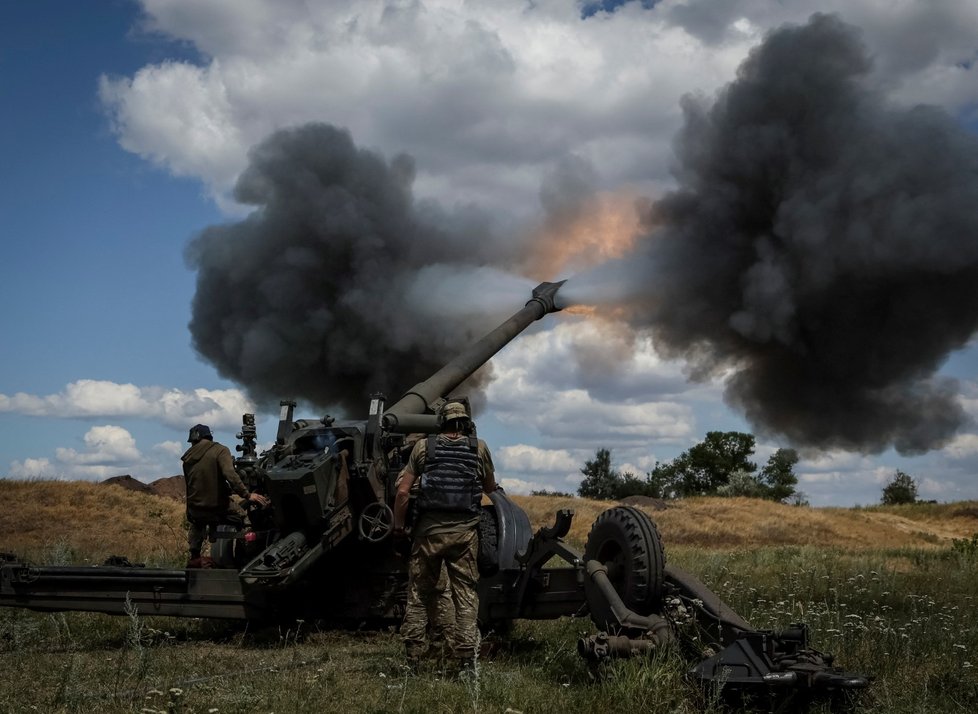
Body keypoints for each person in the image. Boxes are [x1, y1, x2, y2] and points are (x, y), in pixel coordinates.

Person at [393, 402, 497, 672]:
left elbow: (403, 493)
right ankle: (464, 661)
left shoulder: (424, 447)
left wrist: (398, 525)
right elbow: (489, 487)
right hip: (464, 535)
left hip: (427, 534)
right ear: (464, 422)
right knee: (465, 596)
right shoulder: (479, 447)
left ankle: (413, 659)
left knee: (417, 594)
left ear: (441, 421)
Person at [181, 423, 269, 568]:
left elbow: (190, 487)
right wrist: (247, 495)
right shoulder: (220, 450)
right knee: (244, 518)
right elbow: (230, 474)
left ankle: (194, 556)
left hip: (195, 508)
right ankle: (246, 557)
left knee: (197, 523)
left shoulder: (187, 458)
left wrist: (190, 511)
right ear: (209, 436)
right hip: (217, 505)